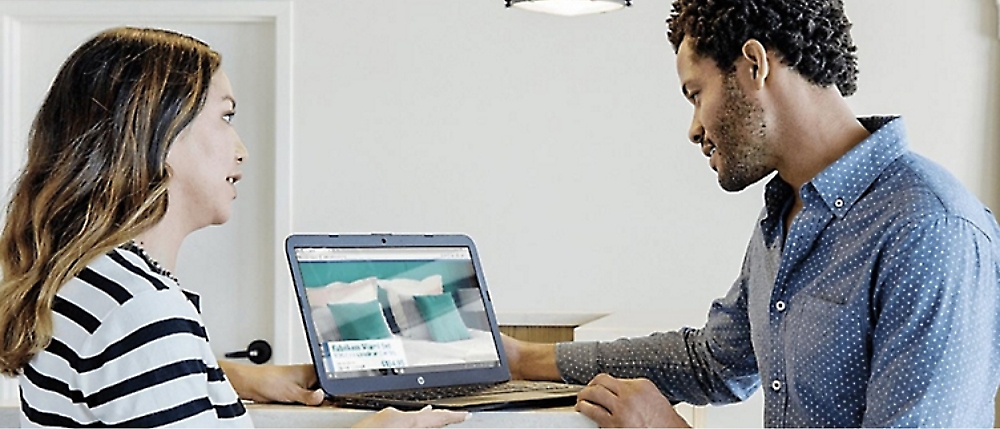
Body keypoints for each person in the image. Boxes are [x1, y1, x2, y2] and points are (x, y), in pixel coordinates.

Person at [503, 0, 1000, 427]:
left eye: (696, 94)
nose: (694, 129)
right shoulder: (788, 211)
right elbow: (714, 362)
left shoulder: (932, 231)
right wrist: (526, 359)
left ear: (754, 65)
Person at [0, 27, 467, 428]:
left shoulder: (91, 282)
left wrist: (228, 375)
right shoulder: (142, 311)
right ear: (159, 135)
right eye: (225, 116)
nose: (241, 149)